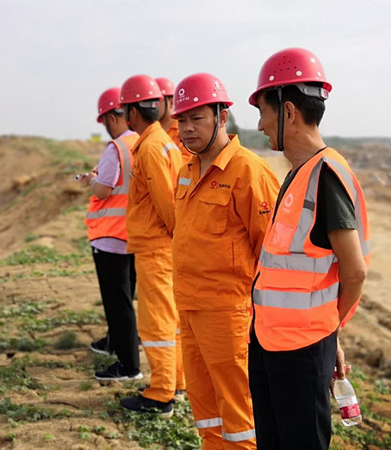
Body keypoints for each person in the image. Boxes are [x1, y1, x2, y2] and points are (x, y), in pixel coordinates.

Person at [247, 48, 370, 450]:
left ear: (288, 111)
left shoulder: (325, 175)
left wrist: (328, 333)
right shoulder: (299, 174)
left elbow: (354, 270)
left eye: (263, 112)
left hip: (301, 352)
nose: (260, 125)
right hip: (270, 343)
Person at [172, 73, 280, 448]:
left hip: (229, 315)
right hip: (188, 307)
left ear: (221, 117)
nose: (187, 128)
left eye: (196, 118)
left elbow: (272, 251)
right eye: (181, 120)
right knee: (206, 409)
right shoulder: (186, 171)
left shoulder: (248, 171)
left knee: (239, 415)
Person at [117, 74, 184, 418]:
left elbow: (165, 202)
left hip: (157, 247)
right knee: (171, 319)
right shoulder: (162, 141)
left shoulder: (151, 147)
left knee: (156, 322)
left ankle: (161, 394)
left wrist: (175, 237)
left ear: (132, 112)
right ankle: (178, 382)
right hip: (164, 246)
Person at [80, 87, 142, 382]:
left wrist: (91, 180)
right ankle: (116, 343)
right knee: (125, 298)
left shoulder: (116, 148)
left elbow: (104, 190)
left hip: (111, 237)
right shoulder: (141, 142)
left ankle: (129, 366)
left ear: (111, 117)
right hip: (134, 234)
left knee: (117, 302)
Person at [155, 77, 190, 163]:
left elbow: (187, 163)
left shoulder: (184, 130)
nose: (152, 106)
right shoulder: (147, 132)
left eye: (156, 102)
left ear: (171, 102)